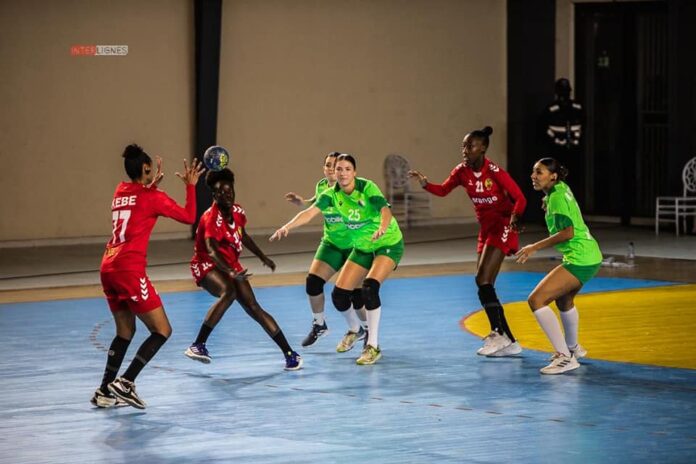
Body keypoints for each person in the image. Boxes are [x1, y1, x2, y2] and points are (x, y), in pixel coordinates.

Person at [92, 144, 204, 409]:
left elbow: (138, 198)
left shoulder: (120, 192)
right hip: (129, 269)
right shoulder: (153, 197)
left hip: (108, 266)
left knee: (125, 331)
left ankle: (104, 391)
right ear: (146, 169)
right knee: (162, 329)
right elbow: (189, 217)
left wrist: (149, 185)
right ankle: (126, 382)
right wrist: (191, 185)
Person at [271, 154, 404, 365]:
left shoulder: (366, 187)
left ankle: (373, 345)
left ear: (354, 172)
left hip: (387, 242)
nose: (342, 173)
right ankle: (354, 329)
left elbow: (384, 210)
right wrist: (286, 227)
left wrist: (382, 227)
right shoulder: (330, 194)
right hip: (362, 247)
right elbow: (309, 213)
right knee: (340, 296)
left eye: (347, 169)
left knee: (369, 289)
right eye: (339, 169)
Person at [408, 126, 527, 357]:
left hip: (502, 225)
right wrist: (425, 184)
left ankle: (498, 332)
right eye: (463, 145)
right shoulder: (461, 171)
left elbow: (520, 198)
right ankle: (509, 340)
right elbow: (443, 190)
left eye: (470, 146)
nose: (465, 150)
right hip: (486, 230)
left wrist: (513, 219)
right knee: (484, 285)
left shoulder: (495, 171)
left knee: (482, 279)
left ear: (482, 148)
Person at [185, 168, 302, 370]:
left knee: (254, 307)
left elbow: (243, 235)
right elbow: (212, 250)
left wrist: (262, 256)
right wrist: (230, 272)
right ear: (214, 195)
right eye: (221, 193)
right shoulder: (210, 218)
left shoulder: (238, 212)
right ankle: (198, 345)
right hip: (207, 265)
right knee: (228, 293)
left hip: (231, 265)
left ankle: (289, 354)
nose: (226, 195)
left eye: (229, 191)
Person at [515, 157, 602, 375]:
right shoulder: (560, 189)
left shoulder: (556, 198)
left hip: (580, 257)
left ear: (553, 176)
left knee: (536, 300)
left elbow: (567, 233)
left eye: (539, 172)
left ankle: (565, 358)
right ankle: (573, 349)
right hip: (588, 254)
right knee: (564, 301)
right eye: (533, 171)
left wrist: (534, 247)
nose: (533, 176)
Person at [284, 152, 367, 352]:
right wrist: (303, 202)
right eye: (329, 165)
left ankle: (366, 330)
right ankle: (319, 324)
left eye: (336, 166)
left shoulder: (353, 189)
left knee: (356, 295)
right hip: (331, 244)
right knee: (313, 282)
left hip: (355, 245)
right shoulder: (322, 187)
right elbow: (318, 201)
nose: (332, 169)